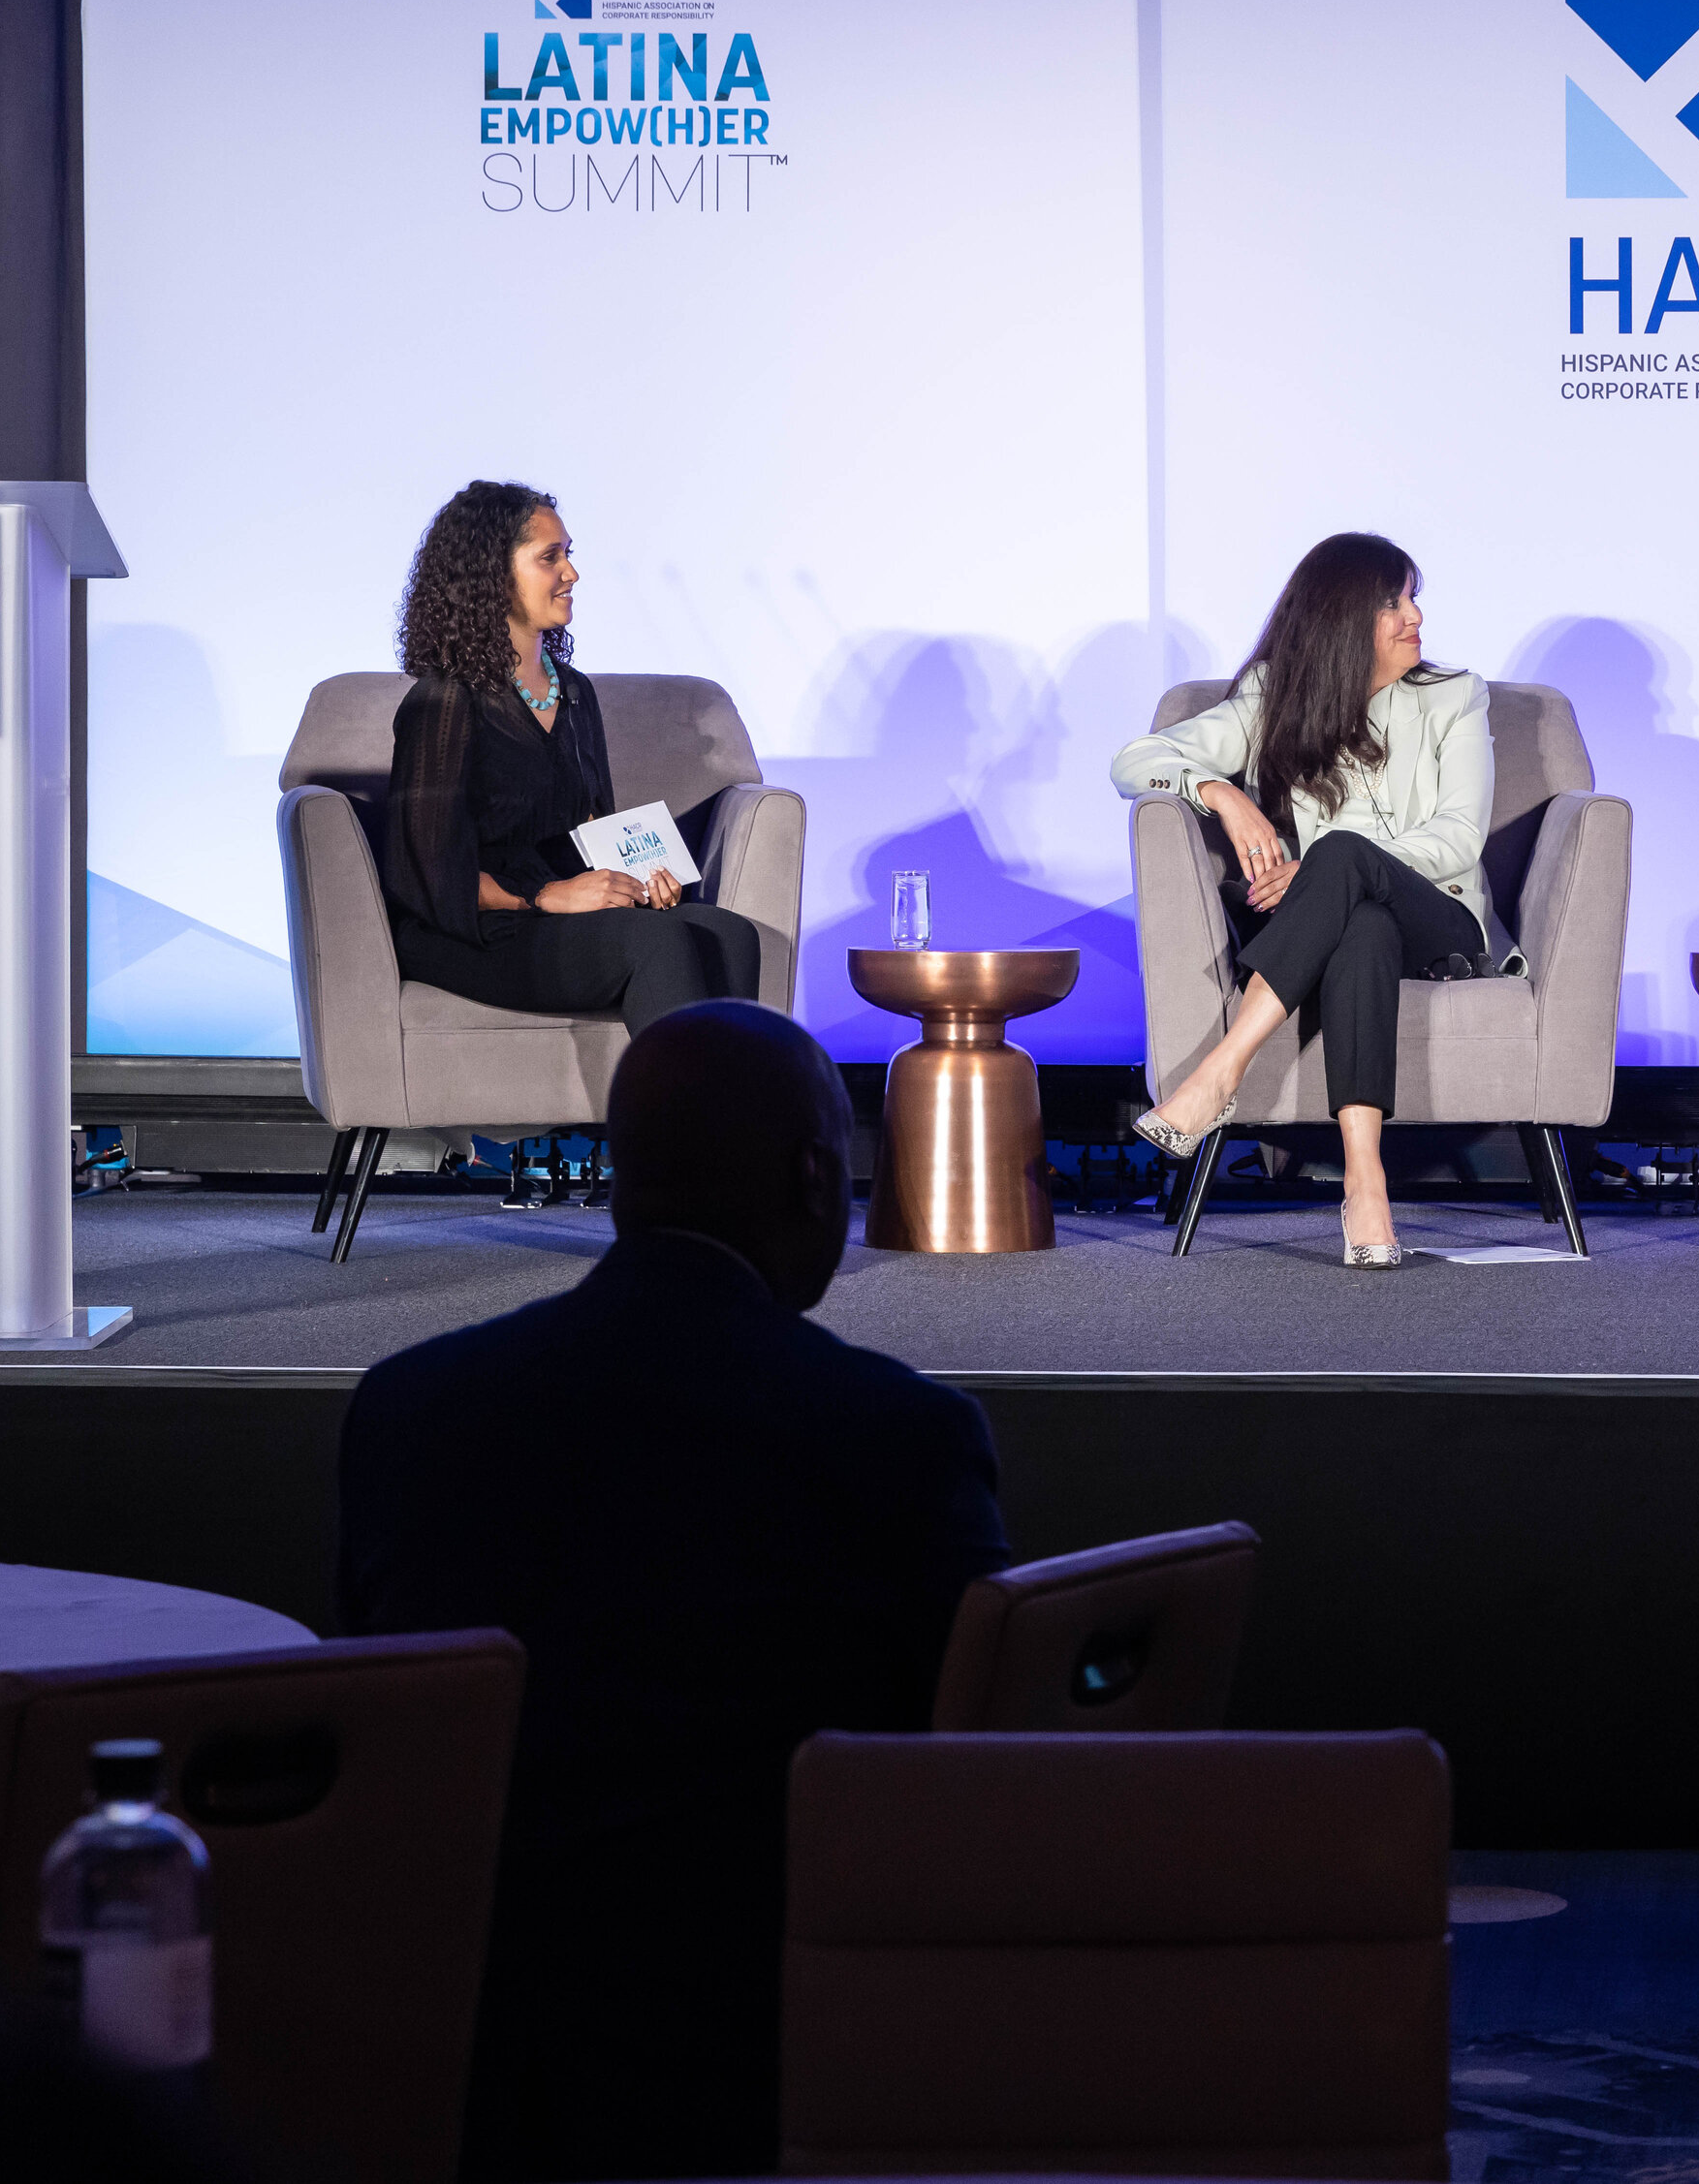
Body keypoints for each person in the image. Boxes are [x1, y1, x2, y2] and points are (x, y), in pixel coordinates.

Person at [338, 1003, 1010, 2182]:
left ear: (619, 1174)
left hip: (474, 2054)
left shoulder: (410, 1408)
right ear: (814, 1173)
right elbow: (970, 1774)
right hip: (792, 2058)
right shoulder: (899, 1437)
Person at [1114, 532, 1497, 1268]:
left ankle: (1220, 1071)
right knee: (1362, 931)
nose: (1415, 615)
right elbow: (1133, 760)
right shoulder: (1274, 697)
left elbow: (1458, 838)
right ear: (1343, 618)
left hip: (1442, 921)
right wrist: (1219, 792)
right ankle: (1365, 1184)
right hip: (1354, 929)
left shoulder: (1456, 696)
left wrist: (1339, 865)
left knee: (1346, 860)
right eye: (1394, 600)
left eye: (1413, 597)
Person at [376, 480, 763, 1045]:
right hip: (474, 927)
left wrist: (632, 881)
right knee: (655, 944)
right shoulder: (445, 701)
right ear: (491, 576)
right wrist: (541, 897)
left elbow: (588, 832)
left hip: (555, 905)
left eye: (568, 555)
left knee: (728, 934)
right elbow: (425, 873)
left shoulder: (575, 692)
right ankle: (677, 1132)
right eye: (549, 557)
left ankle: (736, 1127)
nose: (571, 574)